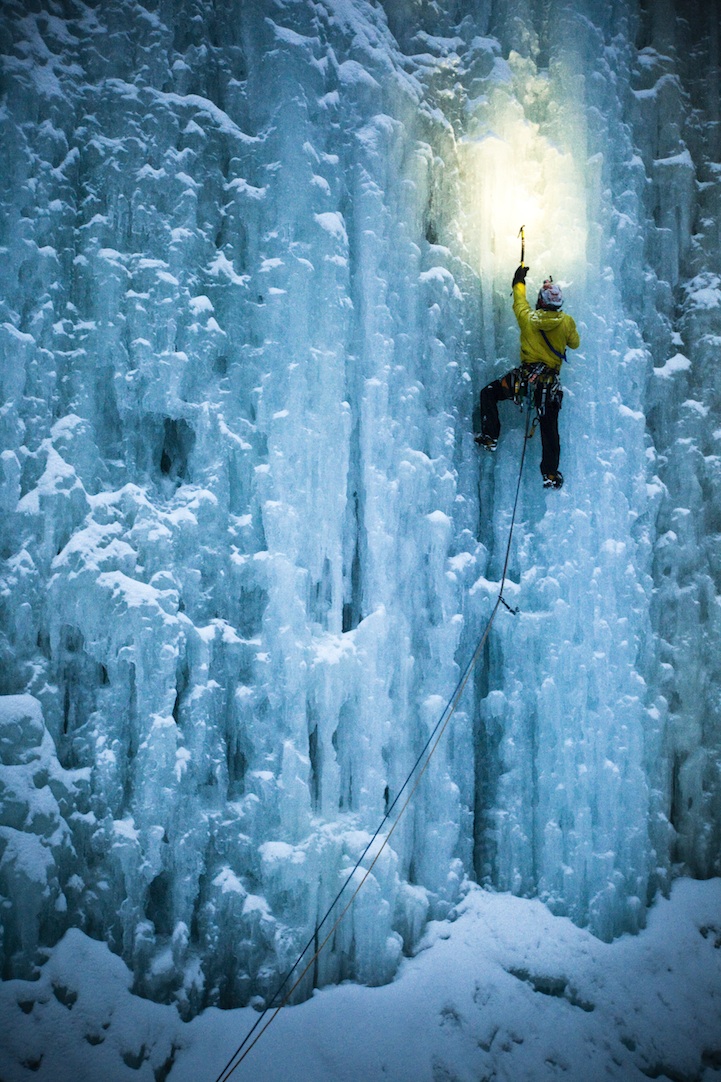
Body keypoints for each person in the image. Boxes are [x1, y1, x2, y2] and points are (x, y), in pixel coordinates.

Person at [475, 266, 580, 489]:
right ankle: (550, 474)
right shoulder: (567, 322)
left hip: (524, 381)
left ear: (540, 302)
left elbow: (518, 301)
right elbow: (574, 343)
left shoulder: (528, 318)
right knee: (549, 429)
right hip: (549, 387)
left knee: (489, 393)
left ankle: (490, 436)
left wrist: (518, 280)